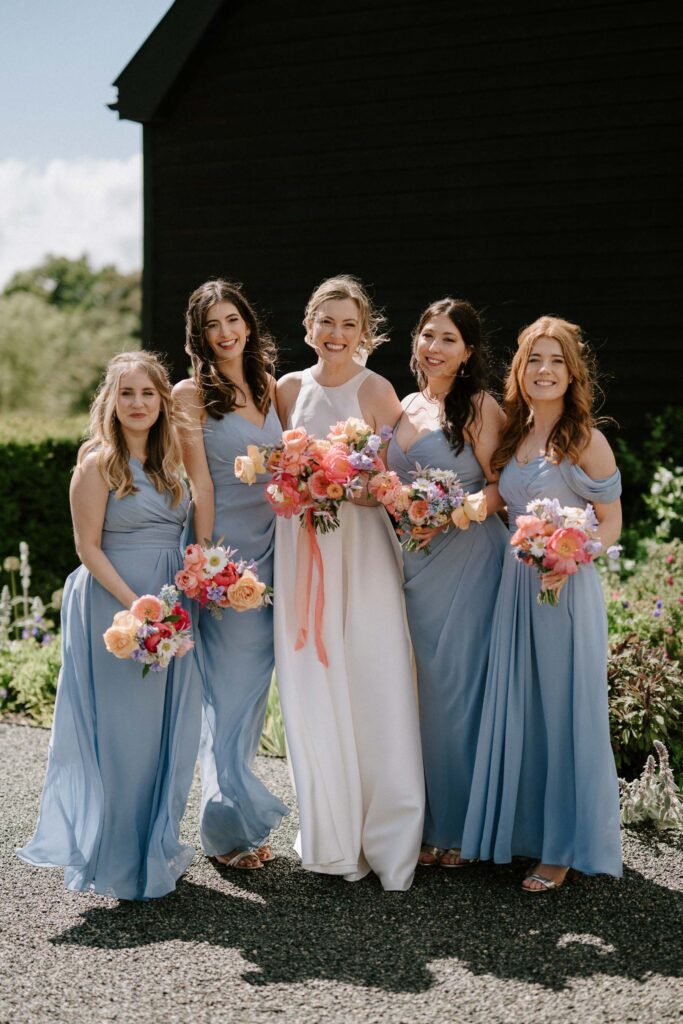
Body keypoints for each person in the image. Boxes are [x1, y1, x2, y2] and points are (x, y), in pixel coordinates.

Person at [17, 352, 201, 900]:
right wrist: (136, 605)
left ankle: (155, 849)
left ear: (162, 400)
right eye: (127, 393)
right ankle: (118, 860)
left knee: (168, 731)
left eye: (147, 393)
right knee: (125, 734)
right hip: (115, 606)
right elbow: (87, 547)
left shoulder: (171, 463)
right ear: (111, 401)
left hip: (170, 606)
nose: (138, 403)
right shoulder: (97, 463)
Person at [460, 316, 623, 892]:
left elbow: (611, 522)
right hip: (513, 588)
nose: (544, 370)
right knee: (522, 708)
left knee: (562, 711)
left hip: (563, 590)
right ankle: (523, 831)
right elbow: (501, 501)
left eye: (556, 360)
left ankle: (561, 849)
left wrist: (571, 556)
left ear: (573, 372)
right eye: (534, 359)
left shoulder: (587, 440)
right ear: (520, 369)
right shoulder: (513, 435)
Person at [274, 274, 424, 892]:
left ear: (365, 332)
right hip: (301, 548)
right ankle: (331, 835)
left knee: (373, 677)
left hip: (360, 551)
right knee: (313, 683)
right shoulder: (287, 389)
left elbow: (400, 478)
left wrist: (355, 485)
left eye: (349, 325)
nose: (336, 334)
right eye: (326, 322)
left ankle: (387, 837)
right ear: (309, 326)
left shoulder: (377, 389)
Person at [387, 298, 508, 869]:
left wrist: (455, 511)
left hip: (468, 558)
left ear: (468, 352)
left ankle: (461, 828)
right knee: (422, 693)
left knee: (459, 690)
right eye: (428, 335)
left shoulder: (480, 407)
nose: (434, 348)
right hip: (411, 565)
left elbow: (503, 487)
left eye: (448, 340)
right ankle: (428, 820)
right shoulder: (403, 405)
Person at [174, 280, 288, 871]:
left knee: (253, 692)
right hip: (228, 559)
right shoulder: (189, 395)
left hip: (278, 551)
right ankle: (224, 830)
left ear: (248, 322)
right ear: (199, 336)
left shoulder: (270, 386)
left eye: (232, 320)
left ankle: (233, 817)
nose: (224, 333)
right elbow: (200, 484)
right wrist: (207, 564)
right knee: (229, 692)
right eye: (211, 325)